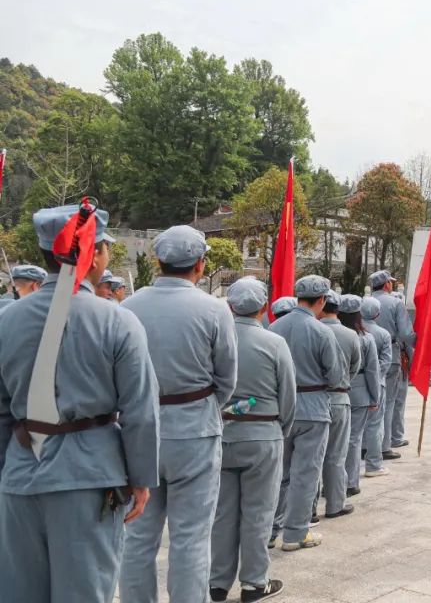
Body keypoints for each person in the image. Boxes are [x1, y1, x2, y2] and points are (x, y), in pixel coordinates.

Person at [0, 204, 158, 603]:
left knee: (19, 592)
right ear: (96, 254)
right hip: (89, 477)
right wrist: (140, 478)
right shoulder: (117, 321)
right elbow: (140, 409)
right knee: (85, 592)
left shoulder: (8, 320)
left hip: (20, 476)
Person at [120, 225, 238, 603]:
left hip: (138, 431)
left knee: (137, 535)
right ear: (200, 265)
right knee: (191, 537)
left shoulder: (128, 307)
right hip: (195, 431)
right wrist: (202, 409)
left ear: (157, 261)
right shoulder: (215, 310)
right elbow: (227, 379)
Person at [210, 277, 295, 603]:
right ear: (263, 308)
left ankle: (218, 583)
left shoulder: (216, 340)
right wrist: (279, 430)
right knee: (259, 513)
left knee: (222, 514)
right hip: (263, 435)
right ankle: (254, 583)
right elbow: (288, 395)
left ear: (230, 306)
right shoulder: (274, 343)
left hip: (221, 434)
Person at [268, 275, 342, 552]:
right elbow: (335, 376)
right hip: (313, 408)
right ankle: (295, 533)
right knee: (305, 473)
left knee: (279, 473)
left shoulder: (275, 327)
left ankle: (269, 530)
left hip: (279, 408)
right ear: (322, 300)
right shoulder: (322, 331)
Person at [316, 290, 361, 519]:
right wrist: (341, 384)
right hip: (339, 398)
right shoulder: (350, 335)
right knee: (336, 454)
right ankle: (335, 504)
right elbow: (354, 367)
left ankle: (308, 508)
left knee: (309, 457)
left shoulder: (312, 330)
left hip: (312, 398)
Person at [370, 270, 415, 458]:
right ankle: (384, 445)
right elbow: (405, 333)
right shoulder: (395, 303)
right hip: (390, 355)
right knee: (388, 401)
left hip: (364, 356)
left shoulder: (363, 302)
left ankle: (368, 443)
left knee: (369, 402)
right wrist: (418, 342)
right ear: (387, 284)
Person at [340, 294, 380, 496]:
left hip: (335, 390)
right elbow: (373, 371)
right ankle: (350, 482)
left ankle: (333, 481)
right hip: (360, 391)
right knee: (354, 439)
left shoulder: (331, 333)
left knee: (333, 441)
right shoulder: (365, 338)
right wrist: (375, 397)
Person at [360, 296, 393, 479]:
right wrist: (373, 375)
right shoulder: (383, 334)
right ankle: (373, 464)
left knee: (353, 429)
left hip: (353, 385)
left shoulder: (353, 330)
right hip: (377, 383)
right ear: (378, 314)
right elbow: (385, 362)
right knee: (374, 425)